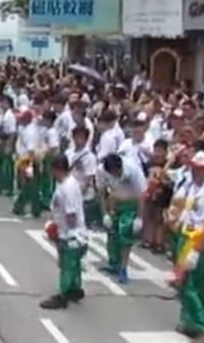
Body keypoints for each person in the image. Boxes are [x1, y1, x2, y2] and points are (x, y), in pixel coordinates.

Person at [40, 154, 88, 310]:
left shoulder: (68, 188)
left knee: (67, 265)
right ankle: (75, 289)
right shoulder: (65, 184)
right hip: (69, 231)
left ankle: (62, 295)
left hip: (71, 234)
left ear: (57, 169)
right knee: (73, 265)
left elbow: (71, 214)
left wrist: (64, 233)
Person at [174, 151, 204, 339]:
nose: (195, 172)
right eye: (194, 168)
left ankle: (202, 324)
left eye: (200, 169)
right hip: (186, 236)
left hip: (197, 240)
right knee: (183, 283)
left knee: (191, 284)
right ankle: (189, 320)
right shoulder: (195, 186)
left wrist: (195, 251)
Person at [98, 153, 146, 284]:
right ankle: (114, 263)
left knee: (125, 233)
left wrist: (139, 218)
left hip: (130, 204)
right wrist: (105, 214)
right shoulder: (102, 171)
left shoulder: (133, 170)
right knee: (112, 233)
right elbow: (101, 193)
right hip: (114, 202)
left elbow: (142, 194)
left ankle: (123, 268)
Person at [66, 126, 99, 229]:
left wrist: (79, 194)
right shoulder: (68, 153)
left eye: (81, 137)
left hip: (83, 196)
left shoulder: (89, 157)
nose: (78, 140)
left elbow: (89, 178)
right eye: (76, 137)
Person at [13, 109, 42, 217]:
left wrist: (28, 166)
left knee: (30, 185)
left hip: (28, 161)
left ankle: (21, 207)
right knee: (31, 185)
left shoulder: (30, 132)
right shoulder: (27, 128)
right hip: (26, 159)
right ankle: (33, 208)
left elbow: (31, 151)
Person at [0, 95, 17, 196]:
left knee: (6, 166)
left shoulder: (10, 116)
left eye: (3, 102)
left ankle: (7, 187)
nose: (2, 104)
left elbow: (12, 133)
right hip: (1, 140)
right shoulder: (1, 114)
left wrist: (9, 146)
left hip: (7, 140)